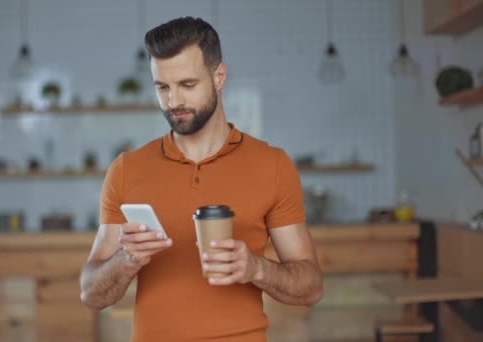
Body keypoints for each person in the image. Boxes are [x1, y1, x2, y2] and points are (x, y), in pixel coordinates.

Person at [80, 16, 323, 342]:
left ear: (219, 76)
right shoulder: (127, 169)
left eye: (187, 85)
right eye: (162, 87)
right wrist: (127, 259)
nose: (173, 101)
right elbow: (91, 295)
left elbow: (310, 287)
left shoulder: (272, 165)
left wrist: (256, 268)